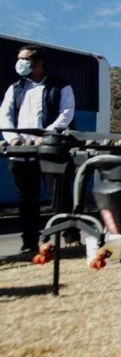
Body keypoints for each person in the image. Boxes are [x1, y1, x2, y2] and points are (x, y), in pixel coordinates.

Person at [0, 45, 76, 252]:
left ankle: (70, 238)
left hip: (49, 150)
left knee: (59, 196)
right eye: (19, 59)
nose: (19, 63)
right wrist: (14, 139)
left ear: (39, 62)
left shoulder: (60, 86)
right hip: (21, 153)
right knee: (26, 200)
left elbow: (66, 114)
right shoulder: (15, 88)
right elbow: (5, 116)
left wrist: (46, 136)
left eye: (24, 59)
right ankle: (29, 243)